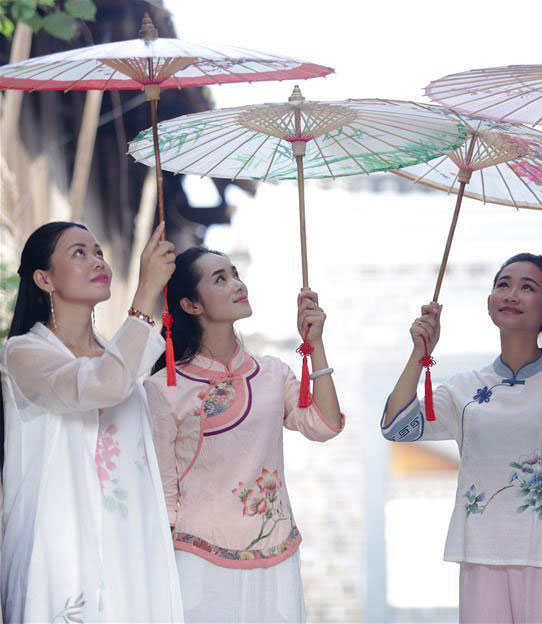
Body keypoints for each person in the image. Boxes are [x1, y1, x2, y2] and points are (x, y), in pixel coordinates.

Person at [383, 253, 542, 624]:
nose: (511, 294)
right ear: (489, 302)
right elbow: (396, 425)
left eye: (528, 287)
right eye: (503, 285)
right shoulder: (464, 389)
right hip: (481, 557)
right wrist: (420, 354)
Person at [144, 246, 344, 623]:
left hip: (276, 554)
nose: (238, 284)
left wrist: (314, 345)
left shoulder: (272, 373)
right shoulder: (164, 388)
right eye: (221, 278)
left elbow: (325, 425)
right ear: (190, 305)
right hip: (197, 560)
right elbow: (163, 494)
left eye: (235, 273)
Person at [0, 221, 182, 622]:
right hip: (58, 551)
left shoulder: (119, 357)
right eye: (79, 253)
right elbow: (102, 385)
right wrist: (145, 294)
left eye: (98, 251)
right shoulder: (22, 354)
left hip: (126, 548)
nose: (98, 260)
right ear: (44, 278)